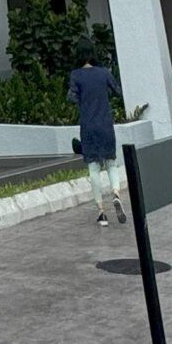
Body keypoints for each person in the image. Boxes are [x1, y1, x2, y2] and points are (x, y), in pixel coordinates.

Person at [67, 49, 126, 227]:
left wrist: (84, 100)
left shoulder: (76, 75)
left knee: (93, 168)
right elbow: (117, 90)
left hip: (88, 126)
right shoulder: (104, 72)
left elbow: (71, 97)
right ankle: (116, 193)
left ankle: (101, 212)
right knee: (111, 163)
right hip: (105, 124)